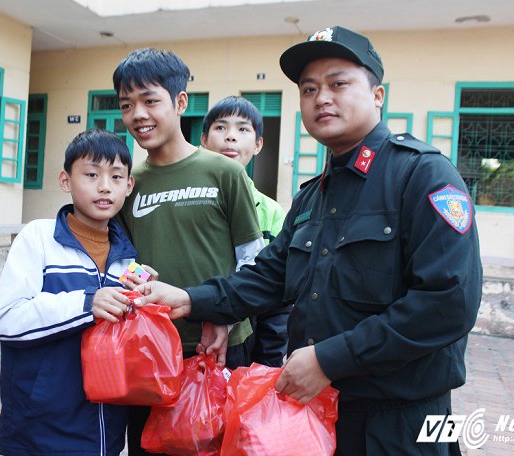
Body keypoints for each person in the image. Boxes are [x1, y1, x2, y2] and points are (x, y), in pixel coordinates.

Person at [135, 26, 482, 456]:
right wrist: (191, 299)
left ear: (377, 95)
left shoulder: (422, 175)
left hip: (403, 420)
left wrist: (330, 359)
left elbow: (448, 302)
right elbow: (269, 274)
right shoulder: (312, 196)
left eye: (338, 84)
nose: (321, 98)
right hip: (317, 414)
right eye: (308, 89)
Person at [113, 48, 264, 455]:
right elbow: (126, 263)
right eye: (127, 105)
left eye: (149, 100)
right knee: (149, 446)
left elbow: (254, 259)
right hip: (151, 349)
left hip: (220, 346)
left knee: (221, 446)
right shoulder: (127, 182)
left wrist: (226, 316)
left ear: (180, 102)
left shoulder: (224, 171)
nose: (138, 114)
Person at [0, 129, 153, 455]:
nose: (105, 186)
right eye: (91, 174)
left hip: (107, 428)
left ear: (129, 186)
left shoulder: (128, 259)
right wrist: (86, 303)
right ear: (65, 180)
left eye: (116, 176)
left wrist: (142, 298)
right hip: (42, 427)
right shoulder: (38, 237)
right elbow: (5, 319)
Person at [201, 95, 289, 367]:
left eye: (242, 129)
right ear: (204, 140)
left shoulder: (272, 212)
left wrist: (266, 365)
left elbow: (277, 297)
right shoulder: (187, 199)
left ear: (258, 144)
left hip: (244, 346)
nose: (231, 137)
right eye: (220, 128)